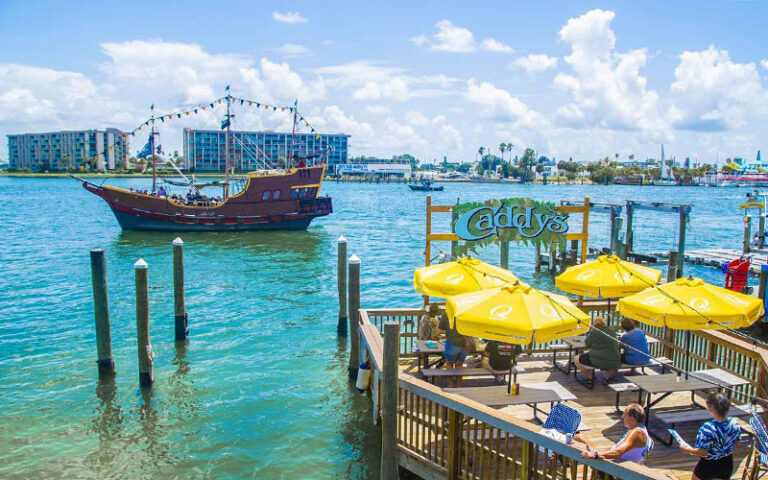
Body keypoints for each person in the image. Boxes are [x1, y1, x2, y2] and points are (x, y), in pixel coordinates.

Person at [679, 393, 741, 480]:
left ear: (711, 407)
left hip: (708, 465)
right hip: (727, 463)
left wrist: (686, 449)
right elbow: (737, 444)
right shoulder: (735, 423)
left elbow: (703, 452)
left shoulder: (707, 428)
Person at [577, 403, 653, 464]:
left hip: (615, 471)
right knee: (580, 438)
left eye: (624, 414)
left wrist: (595, 455)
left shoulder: (636, 433)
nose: (622, 417)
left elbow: (619, 452)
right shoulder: (648, 438)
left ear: (632, 418)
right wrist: (600, 451)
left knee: (579, 438)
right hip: (621, 468)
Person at [574, 316, 621, 382]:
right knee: (609, 360)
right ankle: (606, 378)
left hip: (599, 359)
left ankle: (591, 377)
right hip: (615, 359)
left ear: (594, 325)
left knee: (576, 359)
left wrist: (591, 331)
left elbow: (587, 343)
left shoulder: (594, 332)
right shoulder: (611, 330)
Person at [436, 314, 471, 387]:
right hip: (464, 344)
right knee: (460, 364)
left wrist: (438, 323)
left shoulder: (446, 316)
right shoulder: (465, 314)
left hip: (452, 344)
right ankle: (458, 386)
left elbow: (438, 332)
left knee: (449, 364)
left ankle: (450, 385)